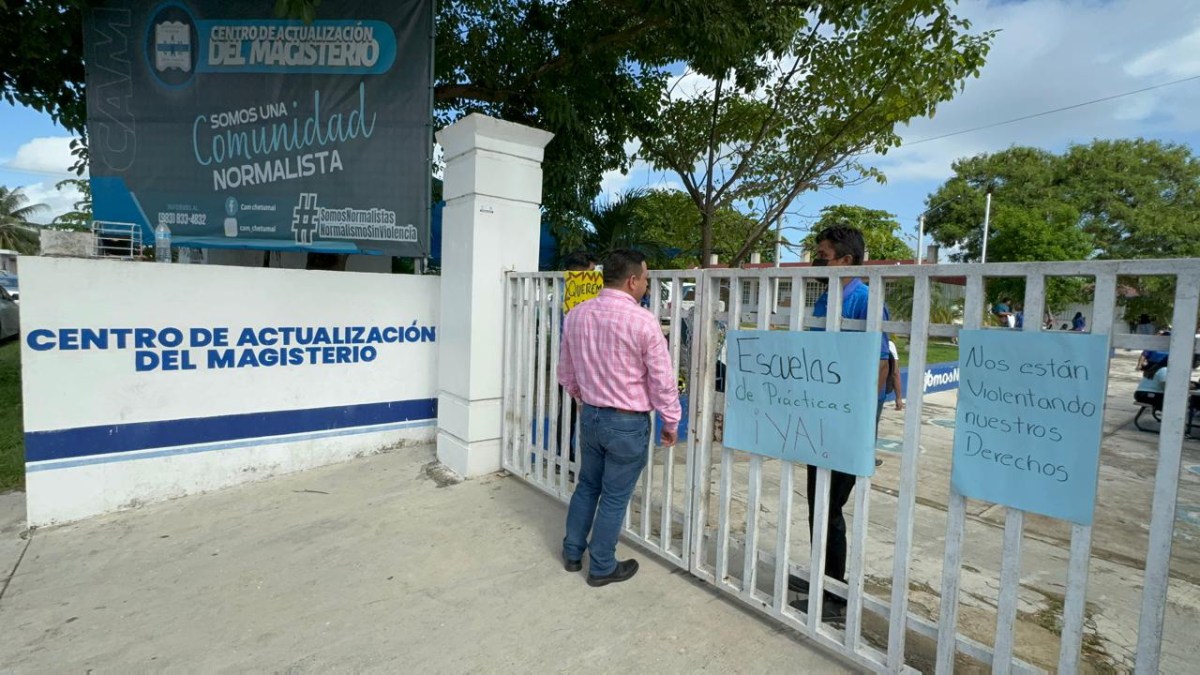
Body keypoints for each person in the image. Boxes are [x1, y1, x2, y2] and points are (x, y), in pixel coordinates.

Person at [558, 249, 681, 587]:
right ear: (632, 280)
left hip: (591, 417)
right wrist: (671, 421)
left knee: (587, 485)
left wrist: (585, 400)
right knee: (613, 496)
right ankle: (601, 566)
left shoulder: (577, 315)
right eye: (644, 279)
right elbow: (662, 378)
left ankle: (572, 552)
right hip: (627, 422)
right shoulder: (643, 320)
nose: (645, 284)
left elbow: (566, 373)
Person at [787, 225, 890, 621]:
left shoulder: (864, 299)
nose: (818, 261)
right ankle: (822, 576)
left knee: (831, 506)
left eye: (824, 255)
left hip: (849, 419)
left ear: (846, 261)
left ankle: (836, 592)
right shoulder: (826, 298)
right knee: (818, 500)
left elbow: (880, 362)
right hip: (821, 414)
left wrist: (861, 419)